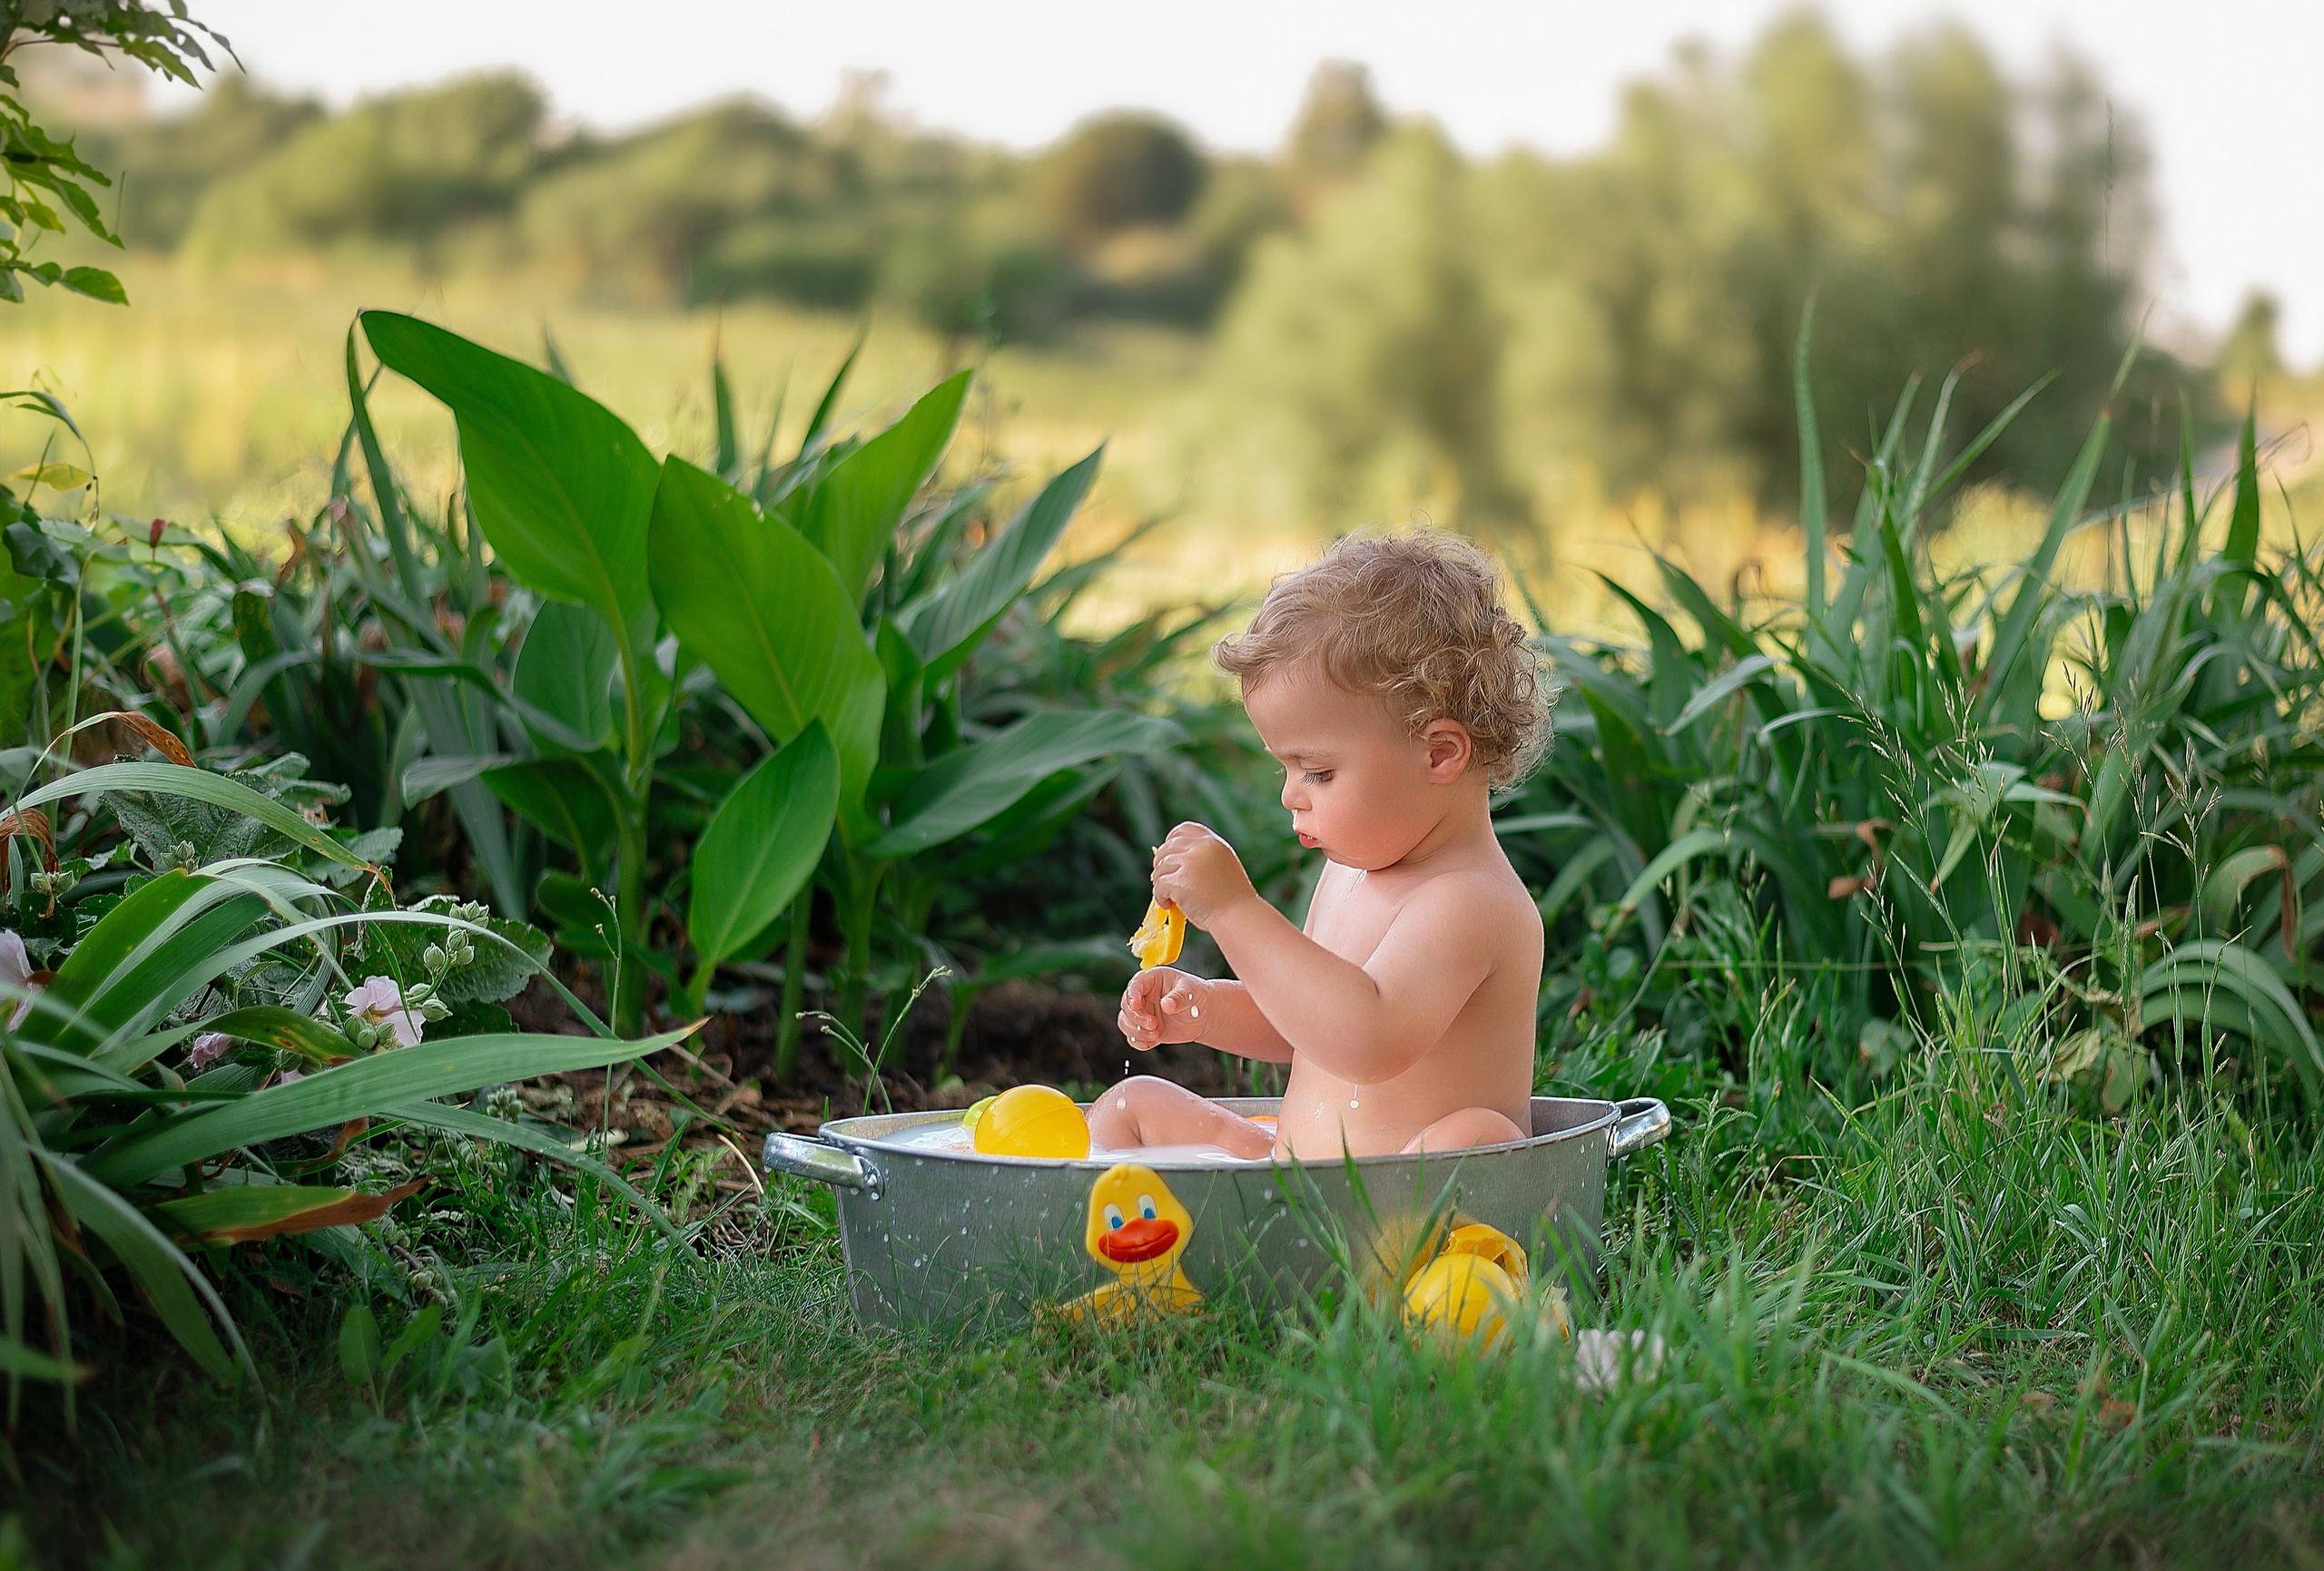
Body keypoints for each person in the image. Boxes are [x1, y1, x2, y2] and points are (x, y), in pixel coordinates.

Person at [1094, 529, 1552, 1161]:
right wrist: (1201, 1008)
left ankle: (1406, 1258)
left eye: (1319, 772)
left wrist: (1235, 911)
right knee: (1132, 1103)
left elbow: (1364, 1038)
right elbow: (1308, 1023)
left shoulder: (1471, 903)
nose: (1291, 795)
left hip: (1396, 1197)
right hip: (1300, 1174)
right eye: (1286, 768)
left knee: (1476, 1139)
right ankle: (1139, 1250)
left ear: (1439, 753)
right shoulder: (1355, 873)